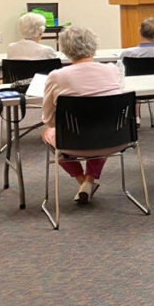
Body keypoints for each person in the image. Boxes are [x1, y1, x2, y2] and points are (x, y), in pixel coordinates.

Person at [40, 26, 122, 203]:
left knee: (48, 132)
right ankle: (89, 181)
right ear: (93, 45)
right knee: (101, 125)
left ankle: (82, 180)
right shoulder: (112, 70)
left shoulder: (57, 76)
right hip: (114, 139)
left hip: (72, 142)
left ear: (65, 49)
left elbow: (48, 120)